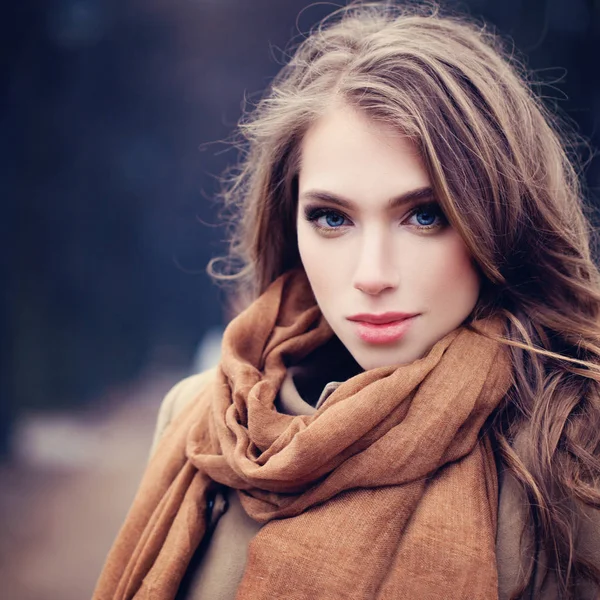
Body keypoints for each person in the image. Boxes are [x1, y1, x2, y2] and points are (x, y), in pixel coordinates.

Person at [93, 2, 600, 599]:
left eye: (425, 215)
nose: (372, 274)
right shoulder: (198, 420)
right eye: (332, 217)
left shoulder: (571, 449)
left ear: (501, 219)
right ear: (290, 222)